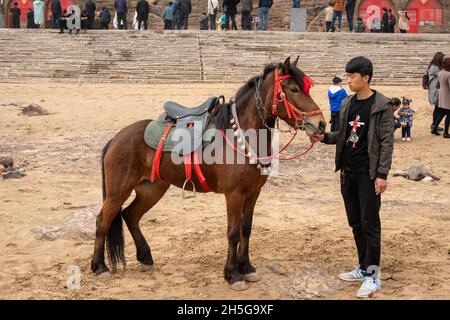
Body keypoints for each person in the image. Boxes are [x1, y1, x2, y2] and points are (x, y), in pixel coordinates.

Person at [310, 56, 394, 298]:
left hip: (369, 175)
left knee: (370, 225)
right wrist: (323, 138)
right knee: (355, 223)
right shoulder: (347, 103)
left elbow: (387, 144)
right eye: (347, 76)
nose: (348, 80)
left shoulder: (381, 105)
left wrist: (381, 175)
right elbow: (342, 135)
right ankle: (363, 267)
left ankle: (373, 276)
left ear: (365, 77)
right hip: (347, 174)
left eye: (352, 76)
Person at [428, 52, 445, 135]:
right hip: (435, 91)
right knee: (439, 108)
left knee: (438, 108)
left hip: (436, 90)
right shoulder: (435, 68)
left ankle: (434, 124)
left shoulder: (435, 66)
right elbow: (441, 75)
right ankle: (434, 125)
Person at [435, 57, 450, 139]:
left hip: (442, 96)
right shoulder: (449, 74)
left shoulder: (440, 72)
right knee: (449, 114)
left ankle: (434, 128)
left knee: (443, 112)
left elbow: (436, 85)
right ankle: (446, 133)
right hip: (448, 97)